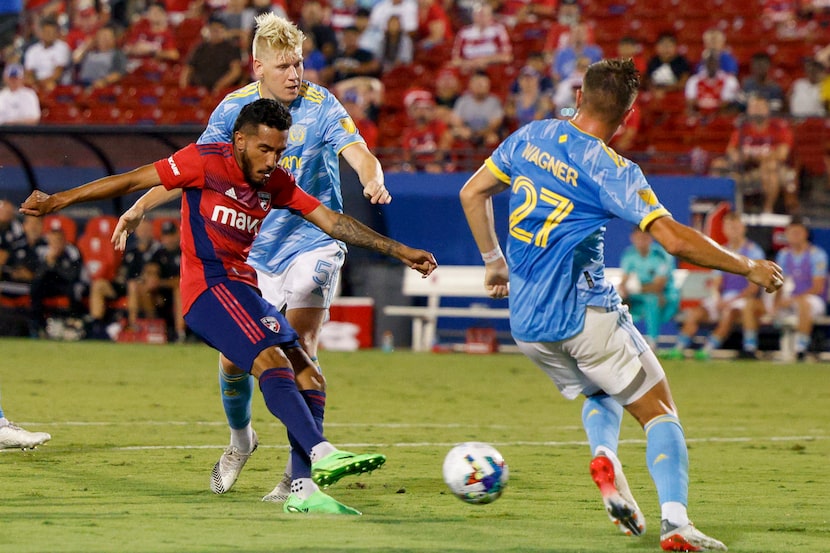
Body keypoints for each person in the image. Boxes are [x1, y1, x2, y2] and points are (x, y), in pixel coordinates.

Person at [21, 98, 437, 514]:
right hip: (208, 291)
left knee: (308, 372)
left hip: (243, 289)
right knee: (273, 361)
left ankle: (304, 490)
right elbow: (133, 180)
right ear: (239, 141)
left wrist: (398, 249)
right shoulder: (203, 161)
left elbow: (331, 221)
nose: (273, 160)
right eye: (265, 149)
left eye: (280, 151)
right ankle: (321, 450)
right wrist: (59, 201)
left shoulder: (273, 183)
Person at [459, 58, 783, 552]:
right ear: (628, 115)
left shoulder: (531, 135)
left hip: (528, 325)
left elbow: (472, 191)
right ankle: (676, 525)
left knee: (600, 394)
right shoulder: (613, 170)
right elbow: (673, 240)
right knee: (659, 414)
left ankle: (606, 456)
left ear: (579, 95)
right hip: (584, 313)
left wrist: (493, 262)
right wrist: (747, 266)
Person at [666, 212, 767, 360]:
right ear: (724, 229)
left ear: (743, 228)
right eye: (729, 227)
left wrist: (730, 302)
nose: (732, 230)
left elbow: (753, 288)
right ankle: (679, 347)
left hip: (743, 299)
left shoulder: (754, 251)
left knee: (728, 312)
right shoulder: (722, 251)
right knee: (695, 313)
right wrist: (718, 298)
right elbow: (716, 282)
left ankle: (709, 349)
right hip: (724, 298)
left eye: (735, 227)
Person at [710, 93, 796, 214]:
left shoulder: (779, 128)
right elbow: (731, 151)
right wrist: (740, 158)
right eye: (754, 108)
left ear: (768, 110)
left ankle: (767, 210)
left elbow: (782, 154)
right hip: (746, 170)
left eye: (760, 108)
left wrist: (752, 157)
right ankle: (721, 207)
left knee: (770, 167)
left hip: (774, 170)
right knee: (718, 164)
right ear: (749, 111)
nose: (757, 112)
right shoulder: (742, 128)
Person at [771, 217, 828, 361]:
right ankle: (781, 347)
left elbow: (818, 287)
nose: (795, 235)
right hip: (790, 299)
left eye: (798, 232)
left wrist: (793, 300)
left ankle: (801, 348)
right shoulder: (783, 255)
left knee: (804, 304)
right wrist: (776, 303)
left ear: (805, 234)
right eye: (792, 232)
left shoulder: (817, 255)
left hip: (814, 300)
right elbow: (779, 283)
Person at [618, 227, 680, 351]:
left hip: (667, 299)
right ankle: (621, 344)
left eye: (644, 238)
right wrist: (623, 292)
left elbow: (658, 287)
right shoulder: (629, 254)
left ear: (650, 238)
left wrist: (635, 289)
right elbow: (624, 281)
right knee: (617, 304)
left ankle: (652, 343)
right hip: (643, 297)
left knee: (652, 300)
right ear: (632, 238)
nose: (641, 241)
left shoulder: (661, 255)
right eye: (638, 238)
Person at [178, 16, 243, 97]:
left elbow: (235, 71)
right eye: (212, 29)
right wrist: (184, 89)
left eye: (218, 29)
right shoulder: (200, 47)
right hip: (198, 89)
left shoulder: (231, 48)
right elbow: (188, 68)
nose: (215, 32)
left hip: (222, 91)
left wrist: (219, 86)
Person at [22, 17, 70, 92]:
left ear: (56, 33)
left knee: (50, 85)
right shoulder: (33, 50)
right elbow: (28, 72)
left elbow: (57, 74)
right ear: (41, 33)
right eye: (47, 32)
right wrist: (33, 82)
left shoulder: (62, 47)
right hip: (36, 81)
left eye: (52, 32)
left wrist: (41, 83)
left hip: (54, 82)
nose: (50, 35)